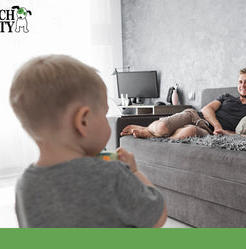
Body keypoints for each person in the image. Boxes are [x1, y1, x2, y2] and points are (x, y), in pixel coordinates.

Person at [9, 55, 167, 228]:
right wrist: (135, 172)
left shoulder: (25, 184)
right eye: (105, 114)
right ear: (83, 121)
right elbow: (157, 217)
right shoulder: (112, 175)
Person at [120, 68, 246, 139]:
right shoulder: (227, 96)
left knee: (189, 131)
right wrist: (218, 125)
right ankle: (149, 129)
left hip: (209, 132)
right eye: (240, 81)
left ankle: (149, 133)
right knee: (162, 127)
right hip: (195, 116)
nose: (242, 85)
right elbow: (206, 109)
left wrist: (226, 132)